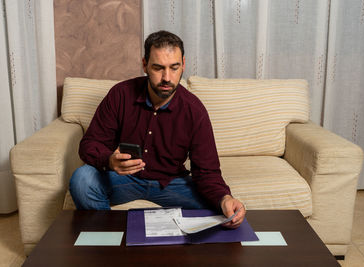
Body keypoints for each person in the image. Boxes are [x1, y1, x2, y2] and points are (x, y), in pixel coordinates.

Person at [69, 30, 245, 229]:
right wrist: (109, 160)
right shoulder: (120, 95)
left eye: (174, 68)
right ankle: (107, 239)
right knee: (82, 179)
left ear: (183, 65)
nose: (167, 77)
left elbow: (207, 171)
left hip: (172, 183)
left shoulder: (195, 111)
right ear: (144, 65)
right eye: (158, 68)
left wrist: (224, 198)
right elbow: (90, 144)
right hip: (124, 179)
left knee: (222, 212)